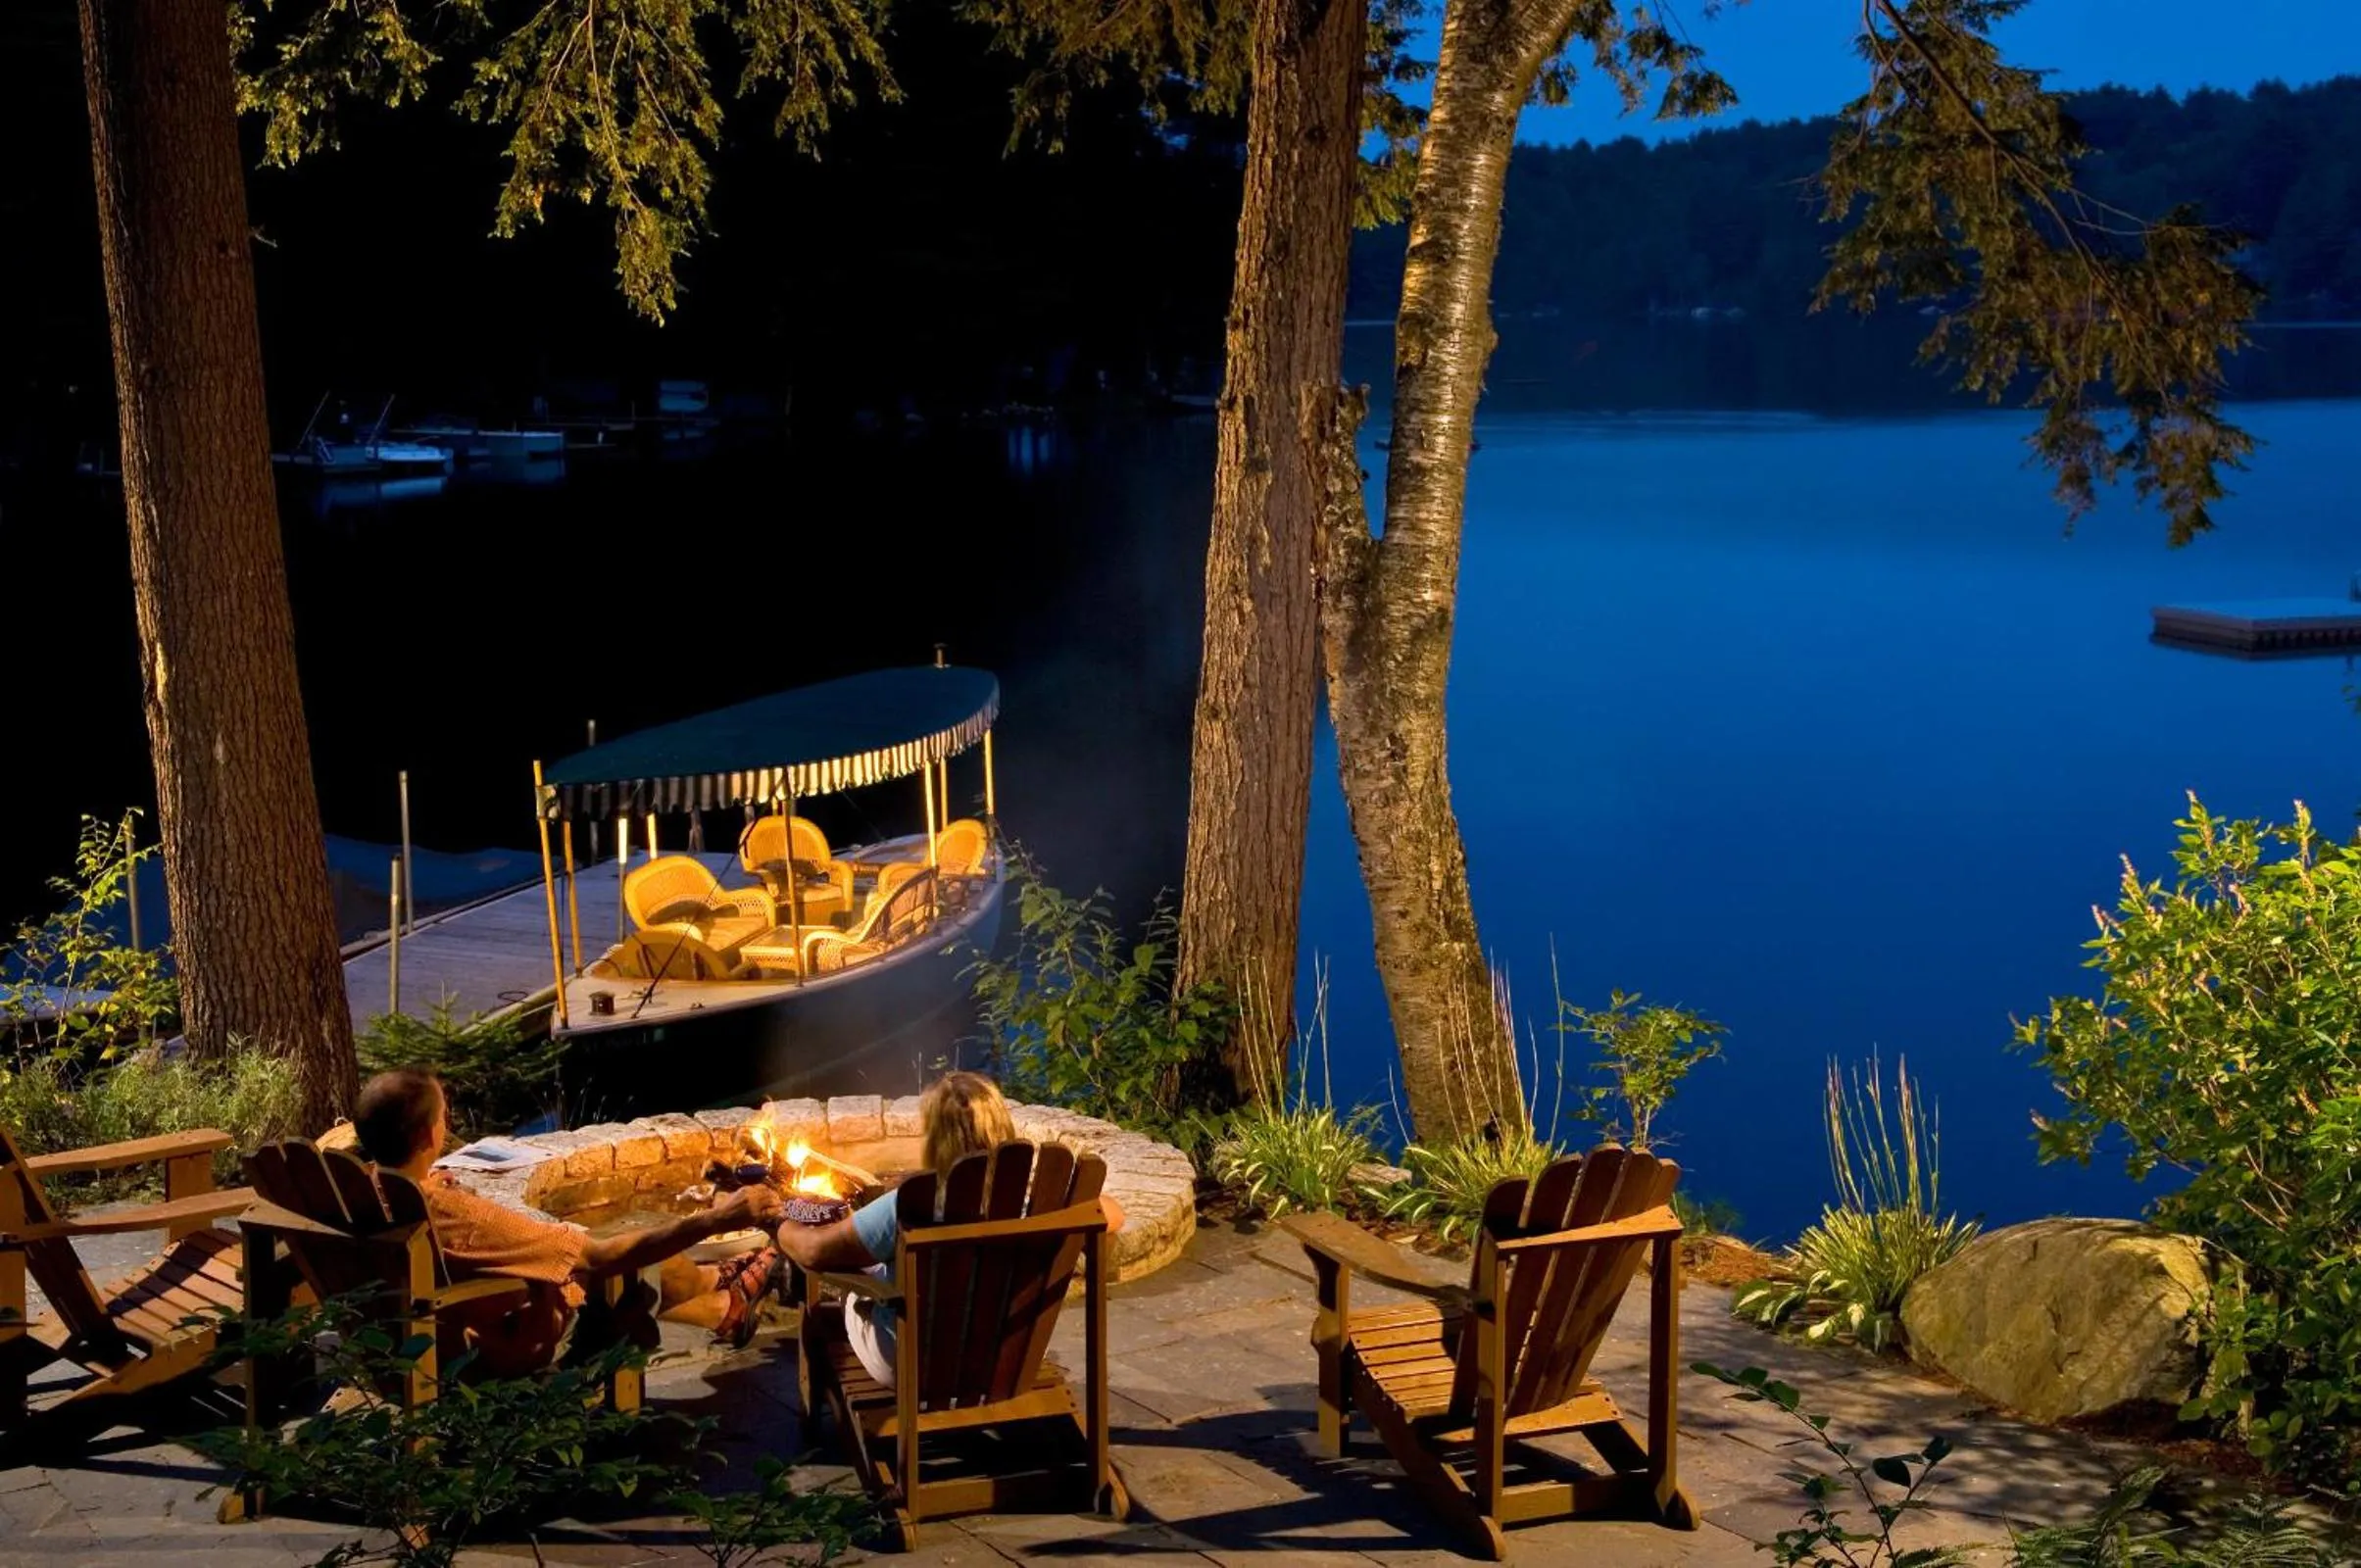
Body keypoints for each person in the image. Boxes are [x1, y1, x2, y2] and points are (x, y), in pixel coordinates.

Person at [351, 1069, 785, 1374]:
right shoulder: (456, 1216)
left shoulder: (366, 1193)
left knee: (614, 1251)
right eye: (444, 1117)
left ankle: (721, 1304)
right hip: (504, 1340)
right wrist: (717, 1219)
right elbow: (597, 1258)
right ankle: (719, 1286)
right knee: (628, 1260)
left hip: (427, 1332)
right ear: (430, 1136)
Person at [769, 1071, 1124, 1387]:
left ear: (936, 1138)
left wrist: (776, 1224)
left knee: (854, 1291)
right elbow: (1114, 1215)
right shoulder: (1037, 1202)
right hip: (1012, 1356)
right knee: (882, 1268)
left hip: (911, 1366)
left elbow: (813, 1251)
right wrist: (1064, 1218)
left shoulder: (910, 1204)